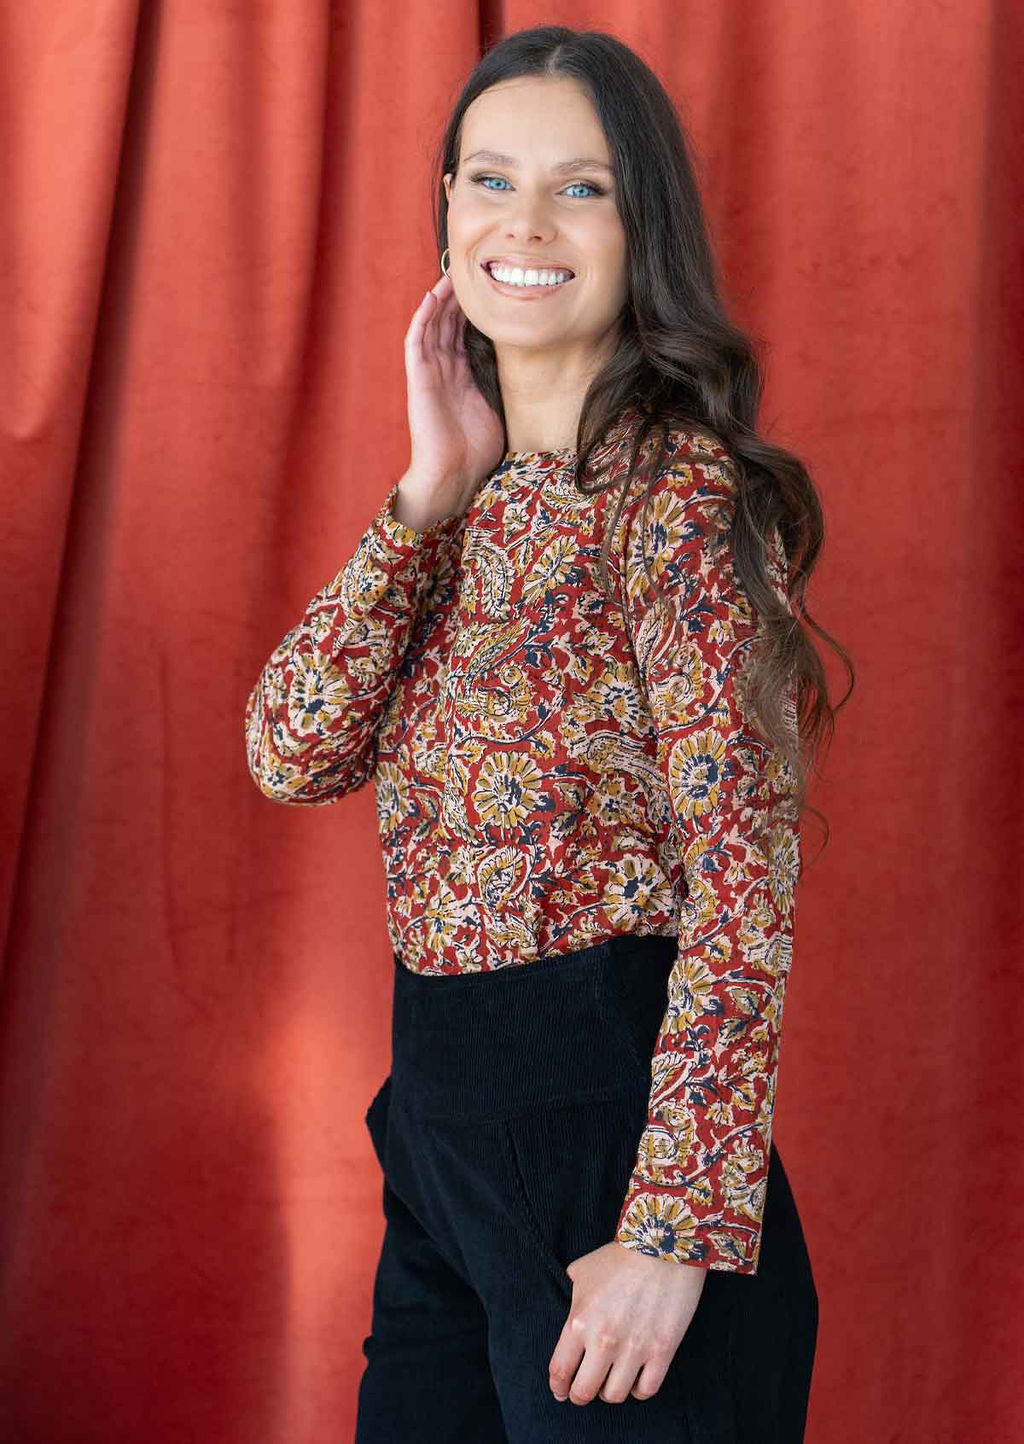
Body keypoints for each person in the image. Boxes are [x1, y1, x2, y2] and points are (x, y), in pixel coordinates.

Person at [244, 24, 852, 1443]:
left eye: (581, 188)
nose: (521, 222)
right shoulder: (463, 500)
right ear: (446, 204)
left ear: (646, 230)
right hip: (441, 1155)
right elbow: (290, 751)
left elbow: (744, 880)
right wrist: (422, 496)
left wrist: (677, 1231)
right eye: (487, 178)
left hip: (615, 1164)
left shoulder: (682, 497)